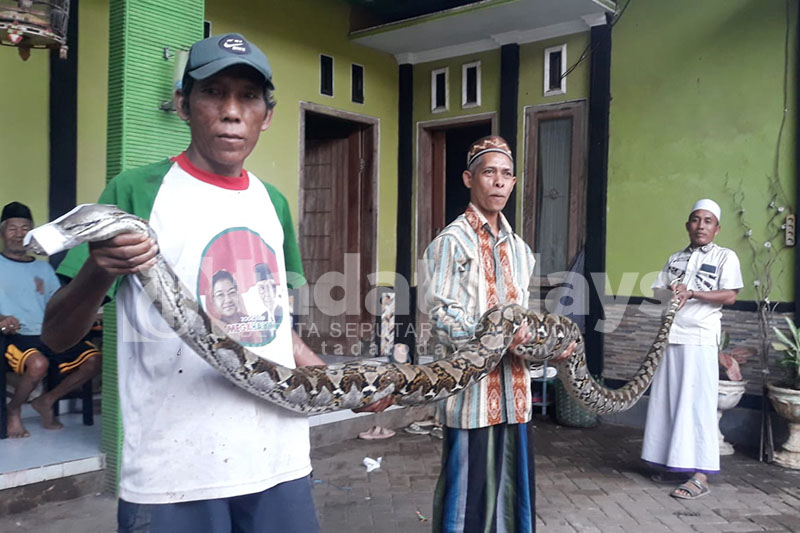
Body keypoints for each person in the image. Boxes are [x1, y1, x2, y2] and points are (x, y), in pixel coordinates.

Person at [40, 34, 331, 532]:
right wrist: (98, 269)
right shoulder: (134, 192)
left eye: (248, 97)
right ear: (183, 105)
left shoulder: (274, 203)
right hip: (174, 472)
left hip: (279, 460)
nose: (231, 112)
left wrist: (332, 379)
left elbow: (270, 325)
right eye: (213, 93)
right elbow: (56, 336)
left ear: (267, 115)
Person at [421, 136, 575, 533]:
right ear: (469, 178)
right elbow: (441, 315)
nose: (499, 182)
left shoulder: (521, 250)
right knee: (467, 499)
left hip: (515, 394)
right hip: (471, 397)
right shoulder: (451, 243)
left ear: (514, 182)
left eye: (506, 174)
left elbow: (525, 321)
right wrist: (497, 336)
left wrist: (548, 347)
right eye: (489, 172)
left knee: (511, 496)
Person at [642, 198, 742, 500]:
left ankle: (700, 475)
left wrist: (694, 293)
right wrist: (669, 290)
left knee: (698, 404)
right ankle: (671, 463)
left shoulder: (725, 257)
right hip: (670, 335)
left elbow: (731, 295)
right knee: (668, 401)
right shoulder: (675, 258)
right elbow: (657, 292)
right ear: (688, 225)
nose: (701, 226)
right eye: (696, 220)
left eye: (708, 221)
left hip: (699, 338)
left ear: (717, 228)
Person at [1, 201, 101, 438]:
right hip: (16, 335)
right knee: (38, 364)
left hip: (48, 334)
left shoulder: (43, 269)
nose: (19, 234)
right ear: (2, 232)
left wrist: (84, 315)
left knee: (95, 360)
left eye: (25, 228)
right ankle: (13, 410)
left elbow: (58, 306)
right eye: (12, 228)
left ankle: (46, 400)